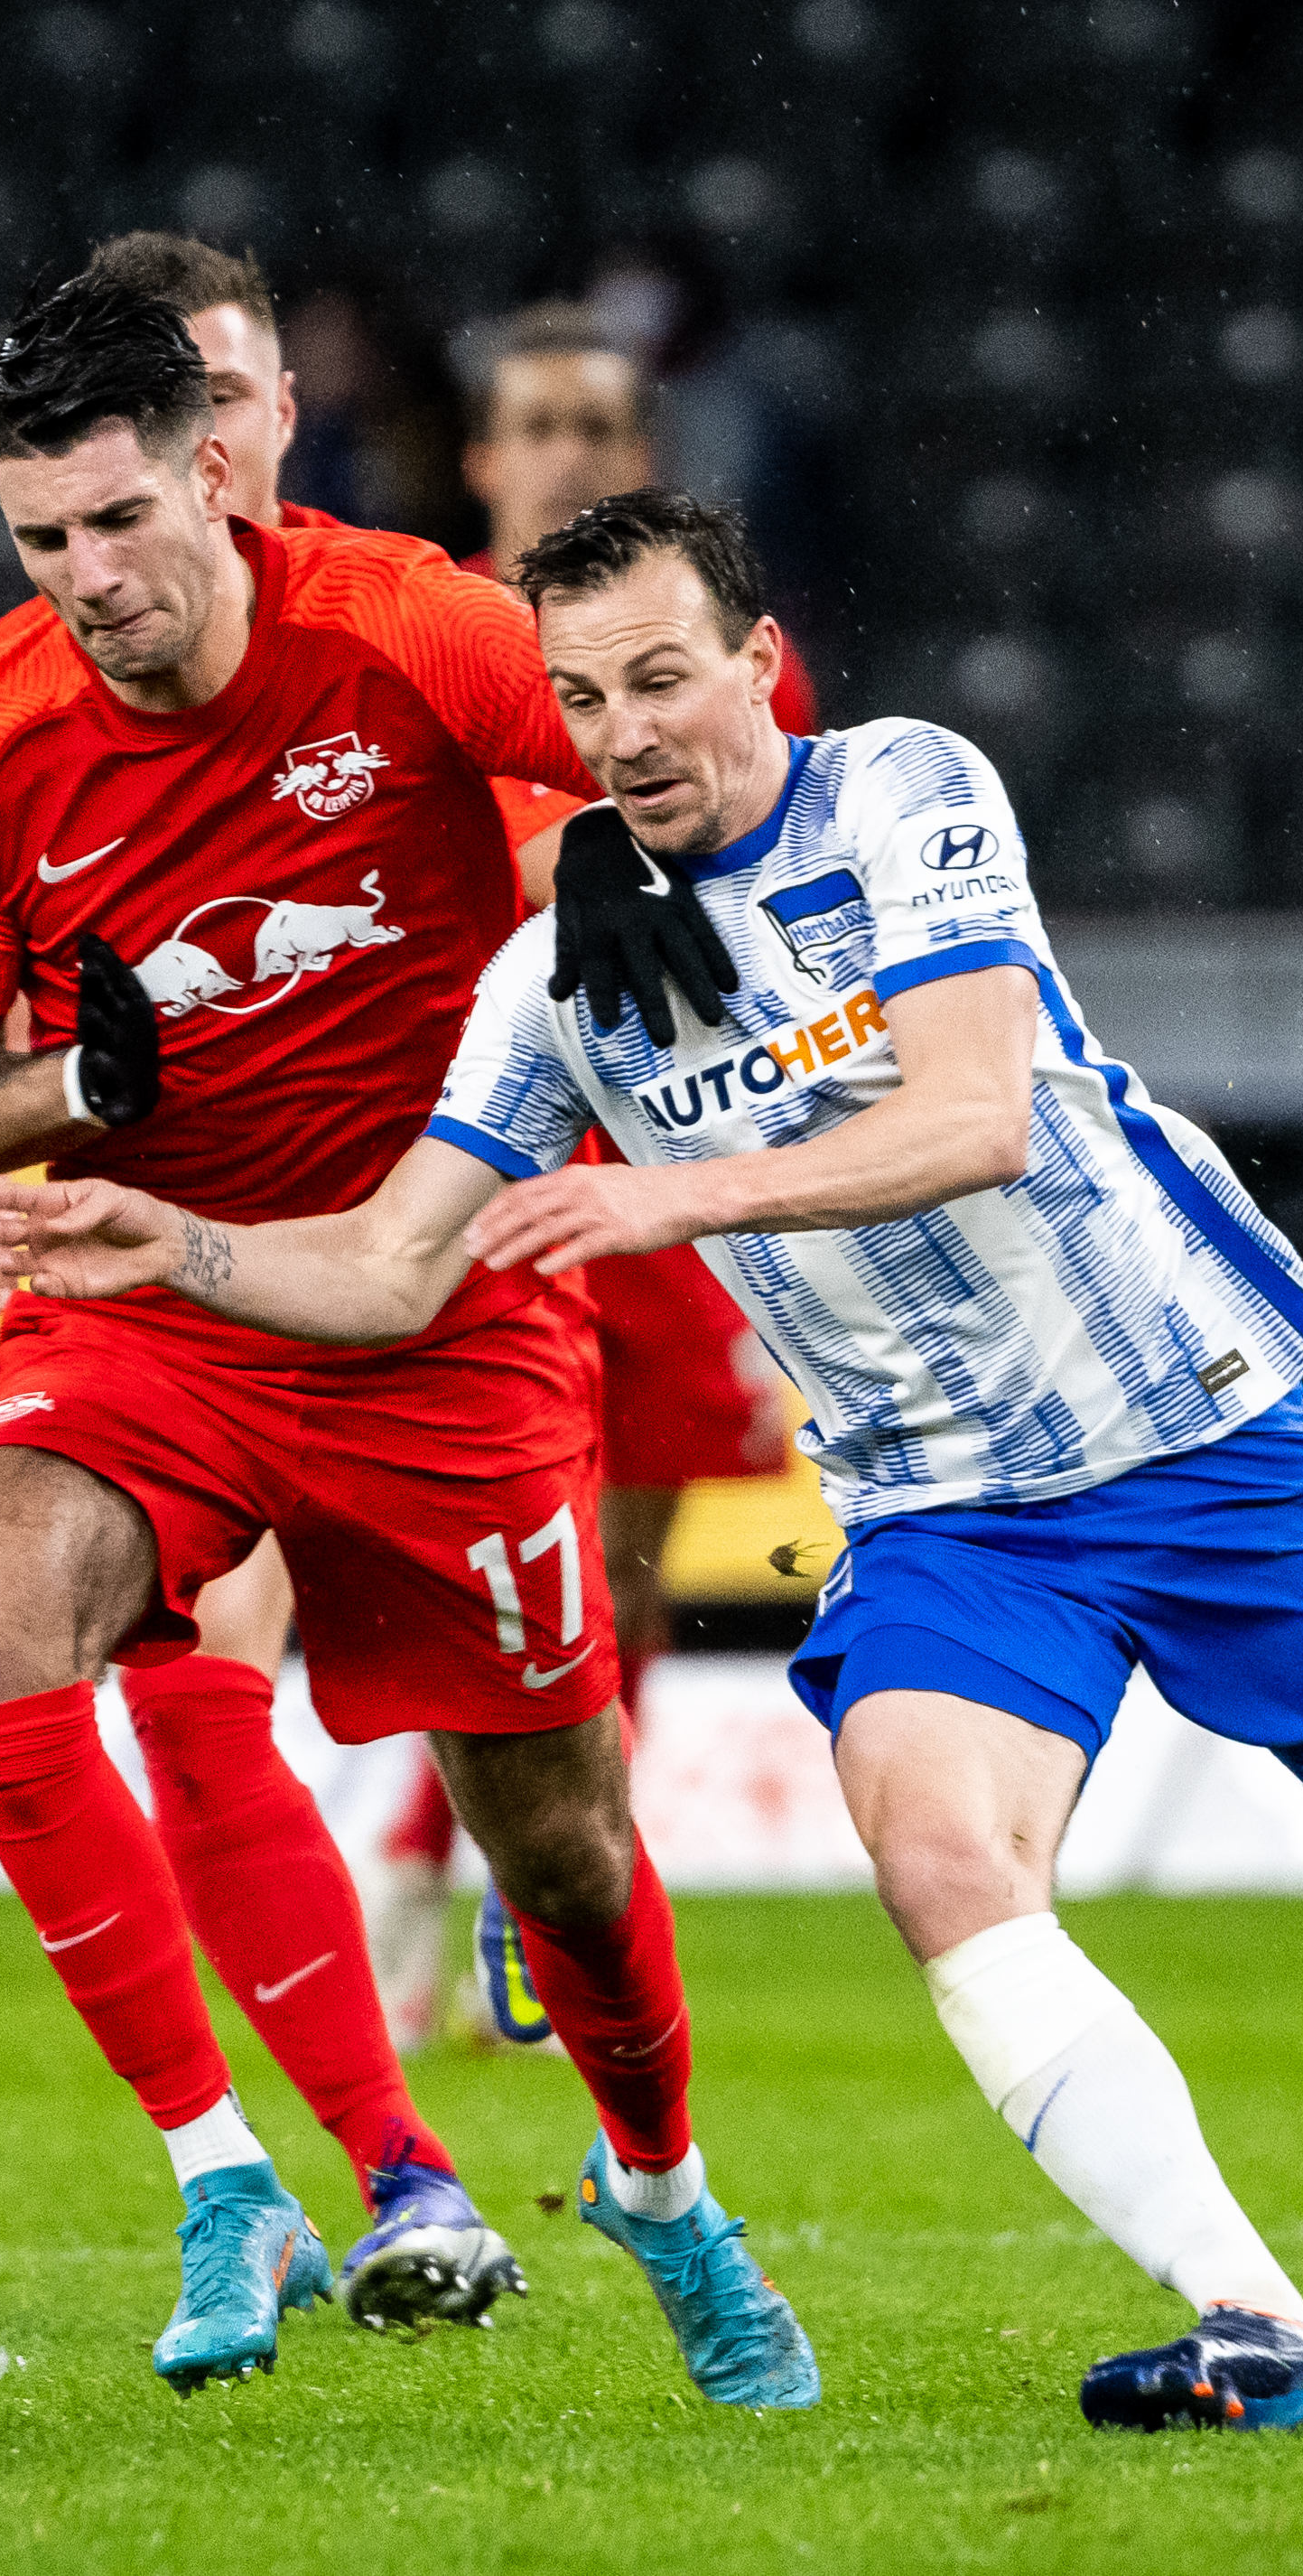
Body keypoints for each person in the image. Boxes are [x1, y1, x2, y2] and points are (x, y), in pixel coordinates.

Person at [0, 490, 1303, 2435]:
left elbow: (973, 1113)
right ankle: (1264, 2325)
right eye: (580, 700)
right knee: (937, 1854)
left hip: (1194, 1432)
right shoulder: (555, 974)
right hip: (943, 1510)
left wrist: (672, 1197)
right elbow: (394, 1258)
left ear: (755, 665)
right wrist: (179, 1248)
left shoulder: (902, 791)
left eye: (662, 679)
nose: (625, 732)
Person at [0, 280, 812, 2407]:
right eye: (40, 544)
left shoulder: (401, 624)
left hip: (441, 1301)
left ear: (217, 463)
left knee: (558, 1849)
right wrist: (65, 1095)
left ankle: (660, 2186)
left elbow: (716, 717)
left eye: (117, 521)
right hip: (160, 1286)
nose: (89, 584)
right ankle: (232, 2176)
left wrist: (620, 869)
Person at [360, 303, 820, 2053]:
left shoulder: (730, 663)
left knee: (620, 1565)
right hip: (468, 1155)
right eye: (533, 423)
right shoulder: (422, 644)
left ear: (639, 457)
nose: (564, 451)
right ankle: (421, 1867)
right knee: (482, 1550)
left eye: (597, 427)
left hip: (664, 1170)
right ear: (481, 457)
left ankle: (532, 1885)